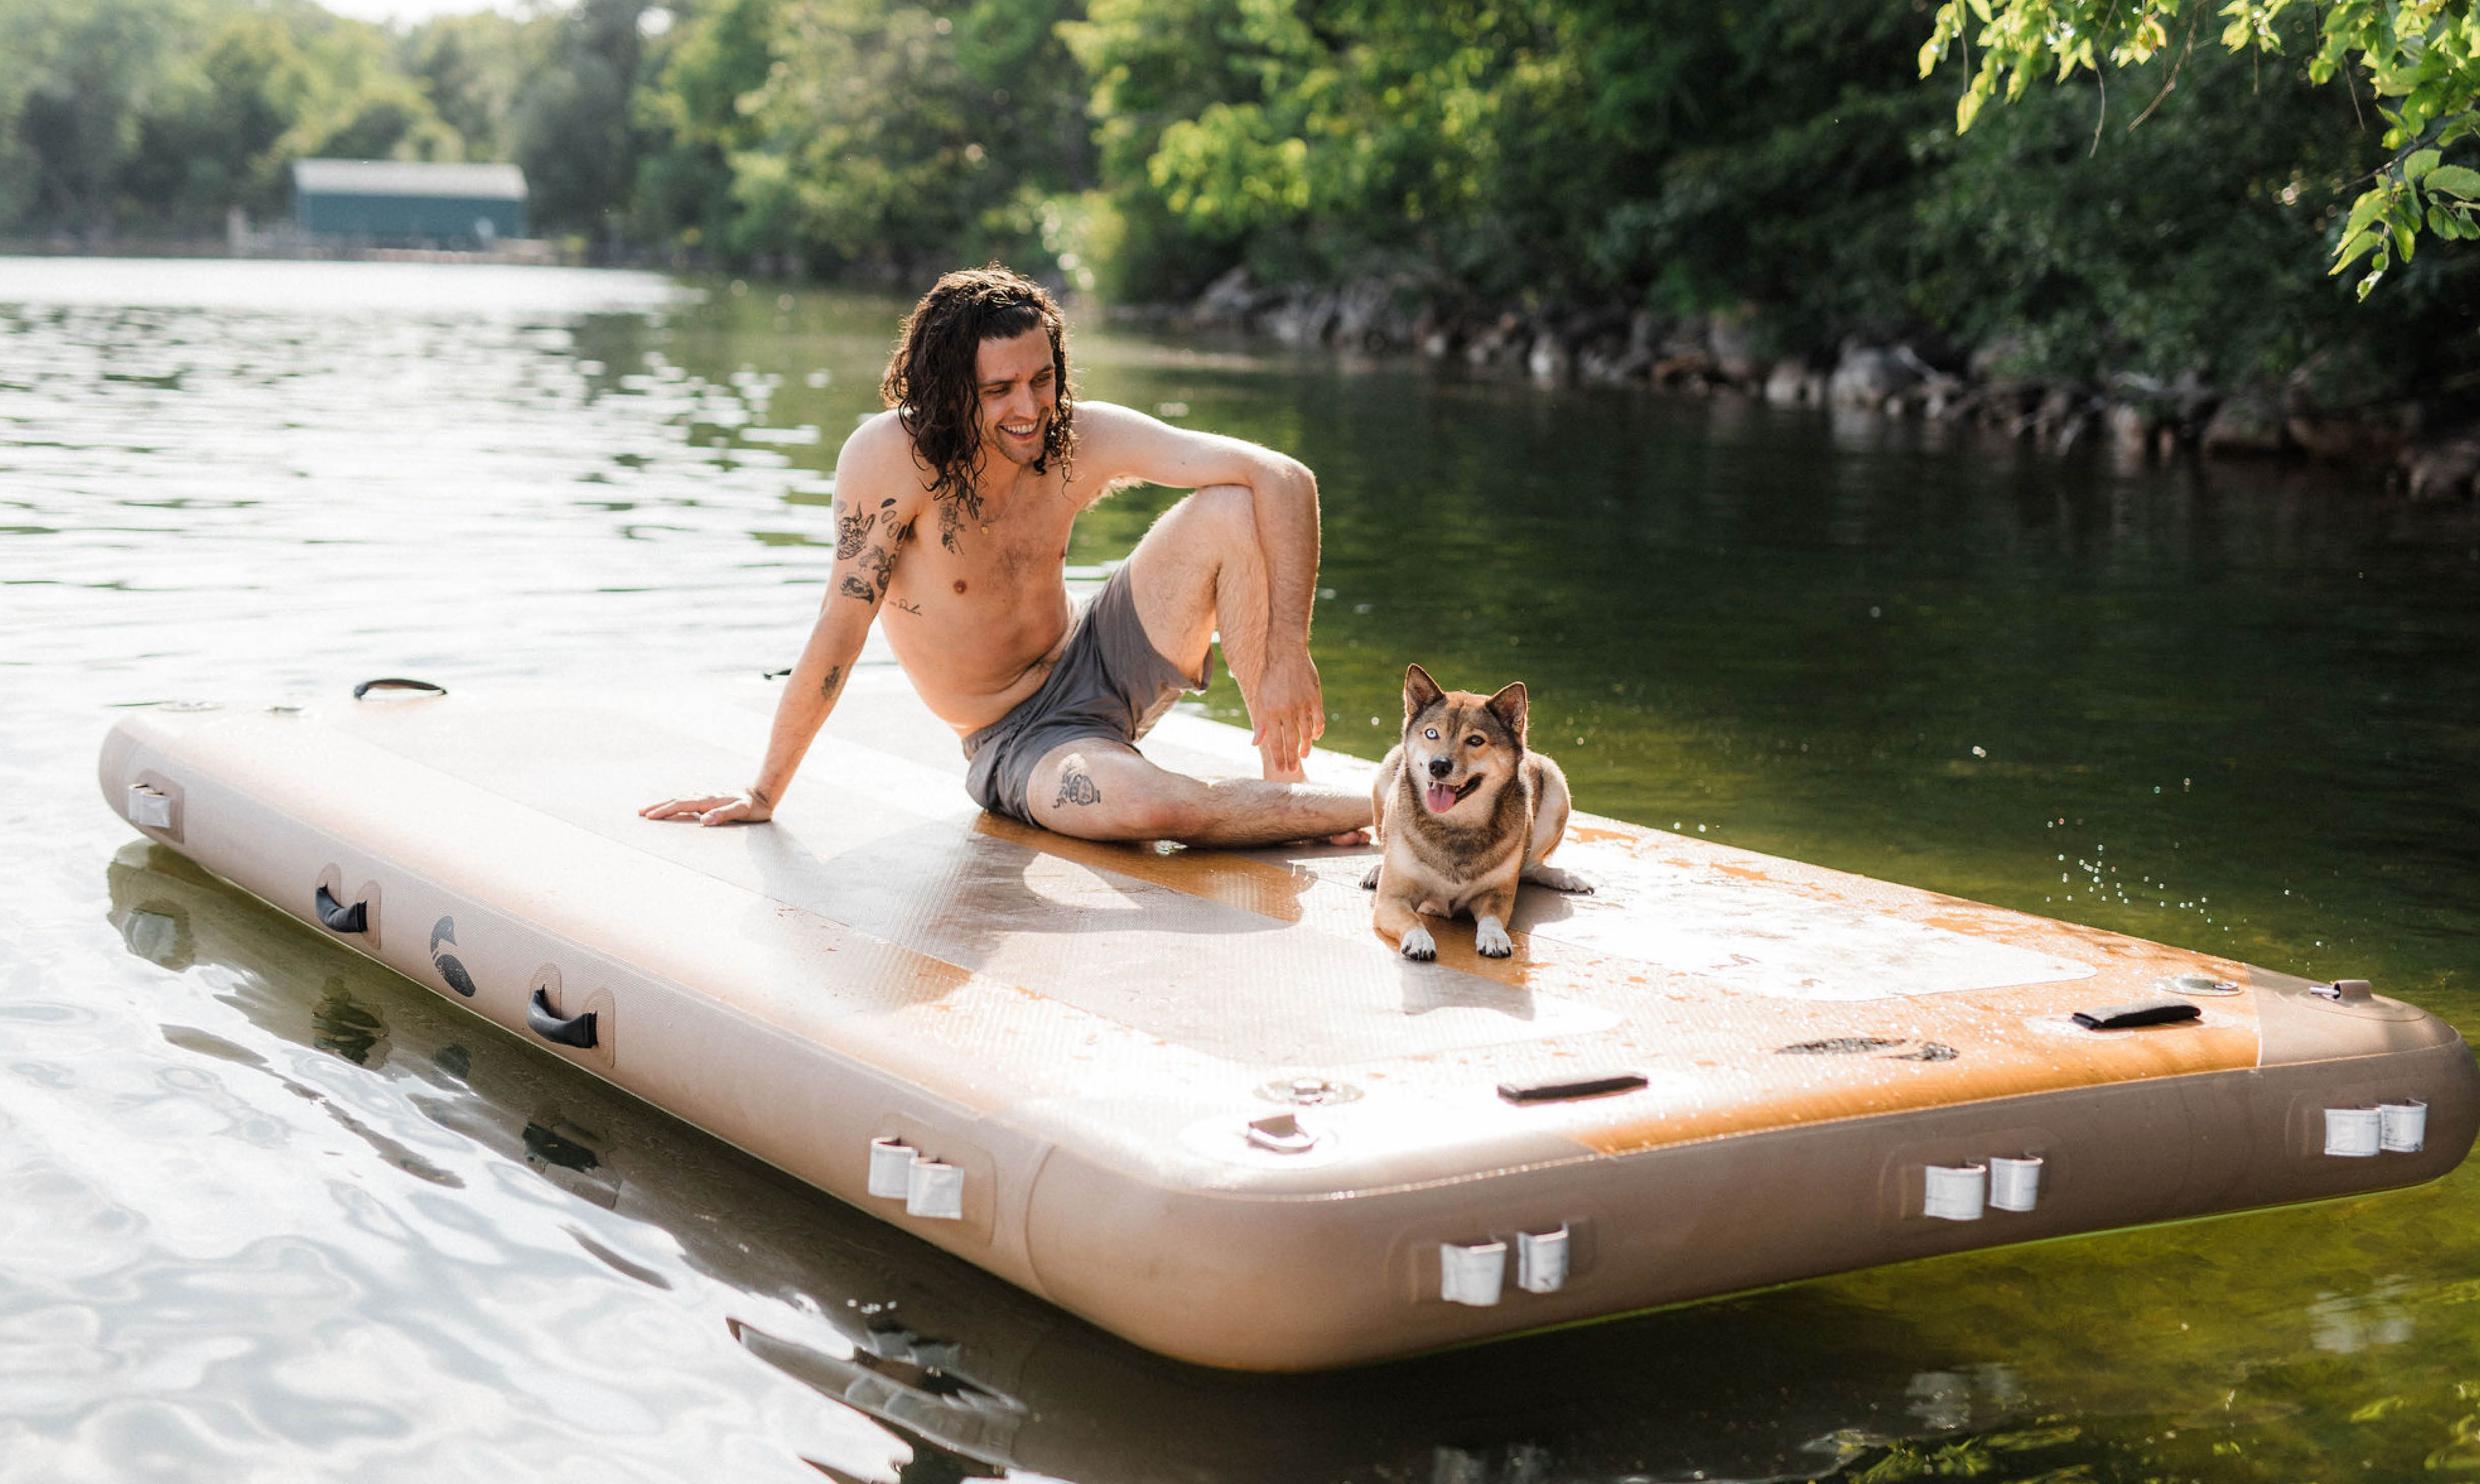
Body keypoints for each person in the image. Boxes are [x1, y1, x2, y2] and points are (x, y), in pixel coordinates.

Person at [640, 264, 1372, 847]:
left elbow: (1284, 476)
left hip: (1100, 656)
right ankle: (1368, 805)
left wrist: (1285, 653)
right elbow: (839, 631)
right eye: (999, 389)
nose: (1030, 406)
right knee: (1156, 809)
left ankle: (1286, 776)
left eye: (1043, 378)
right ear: (951, 390)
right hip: (1019, 738)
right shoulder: (890, 462)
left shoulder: (1073, 439)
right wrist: (764, 792)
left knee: (1231, 503)